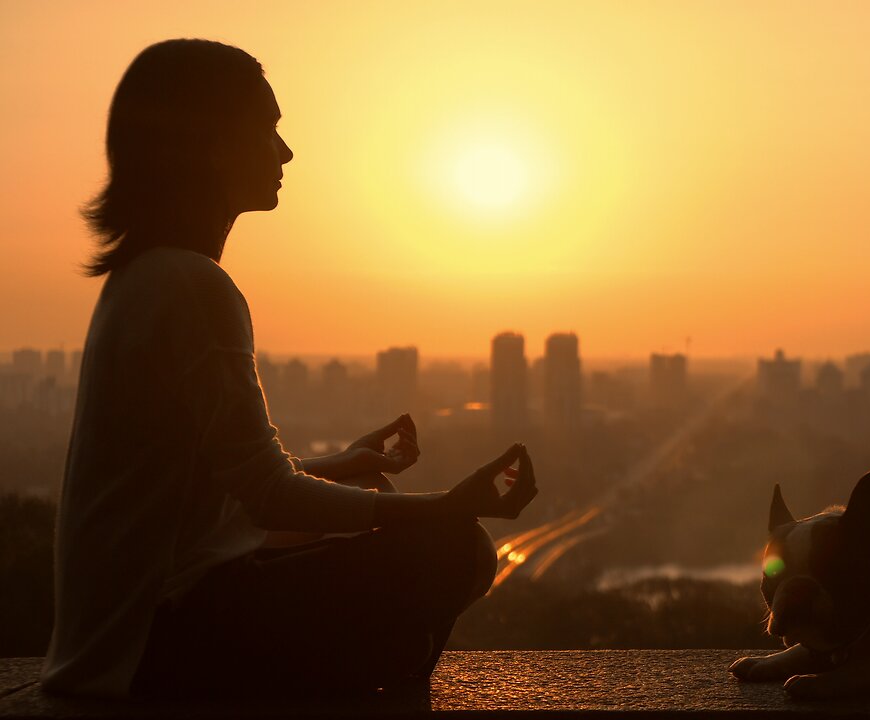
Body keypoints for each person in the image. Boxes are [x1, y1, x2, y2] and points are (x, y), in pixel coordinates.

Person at [40, 38, 538, 699]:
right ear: (209, 143)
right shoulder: (191, 285)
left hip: (125, 640)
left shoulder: (147, 277)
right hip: (154, 649)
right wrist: (447, 505)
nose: (285, 152)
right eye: (268, 129)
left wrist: (343, 462)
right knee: (458, 550)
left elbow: (220, 485)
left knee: (400, 518)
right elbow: (268, 495)